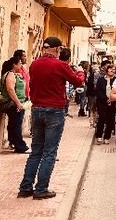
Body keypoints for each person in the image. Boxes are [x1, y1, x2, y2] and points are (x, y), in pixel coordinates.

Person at [18, 37, 85, 199]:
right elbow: (77, 81)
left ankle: (25, 187)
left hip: (37, 109)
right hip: (54, 110)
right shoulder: (60, 65)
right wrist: (81, 71)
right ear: (57, 49)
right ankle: (41, 189)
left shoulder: (34, 64)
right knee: (49, 152)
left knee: (36, 151)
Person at [0, 56, 30, 153]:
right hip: (13, 104)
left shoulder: (15, 74)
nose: (21, 65)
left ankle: (14, 142)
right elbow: (10, 89)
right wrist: (18, 103)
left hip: (17, 103)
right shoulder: (10, 75)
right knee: (16, 124)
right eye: (20, 63)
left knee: (14, 124)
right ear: (14, 64)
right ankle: (20, 145)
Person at [95, 63, 116, 144]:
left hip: (113, 103)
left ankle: (107, 137)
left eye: (114, 69)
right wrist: (106, 99)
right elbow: (98, 91)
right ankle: (99, 136)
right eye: (110, 69)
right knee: (101, 118)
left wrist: (111, 99)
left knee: (110, 120)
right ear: (107, 70)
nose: (112, 71)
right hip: (102, 102)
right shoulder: (101, 79)